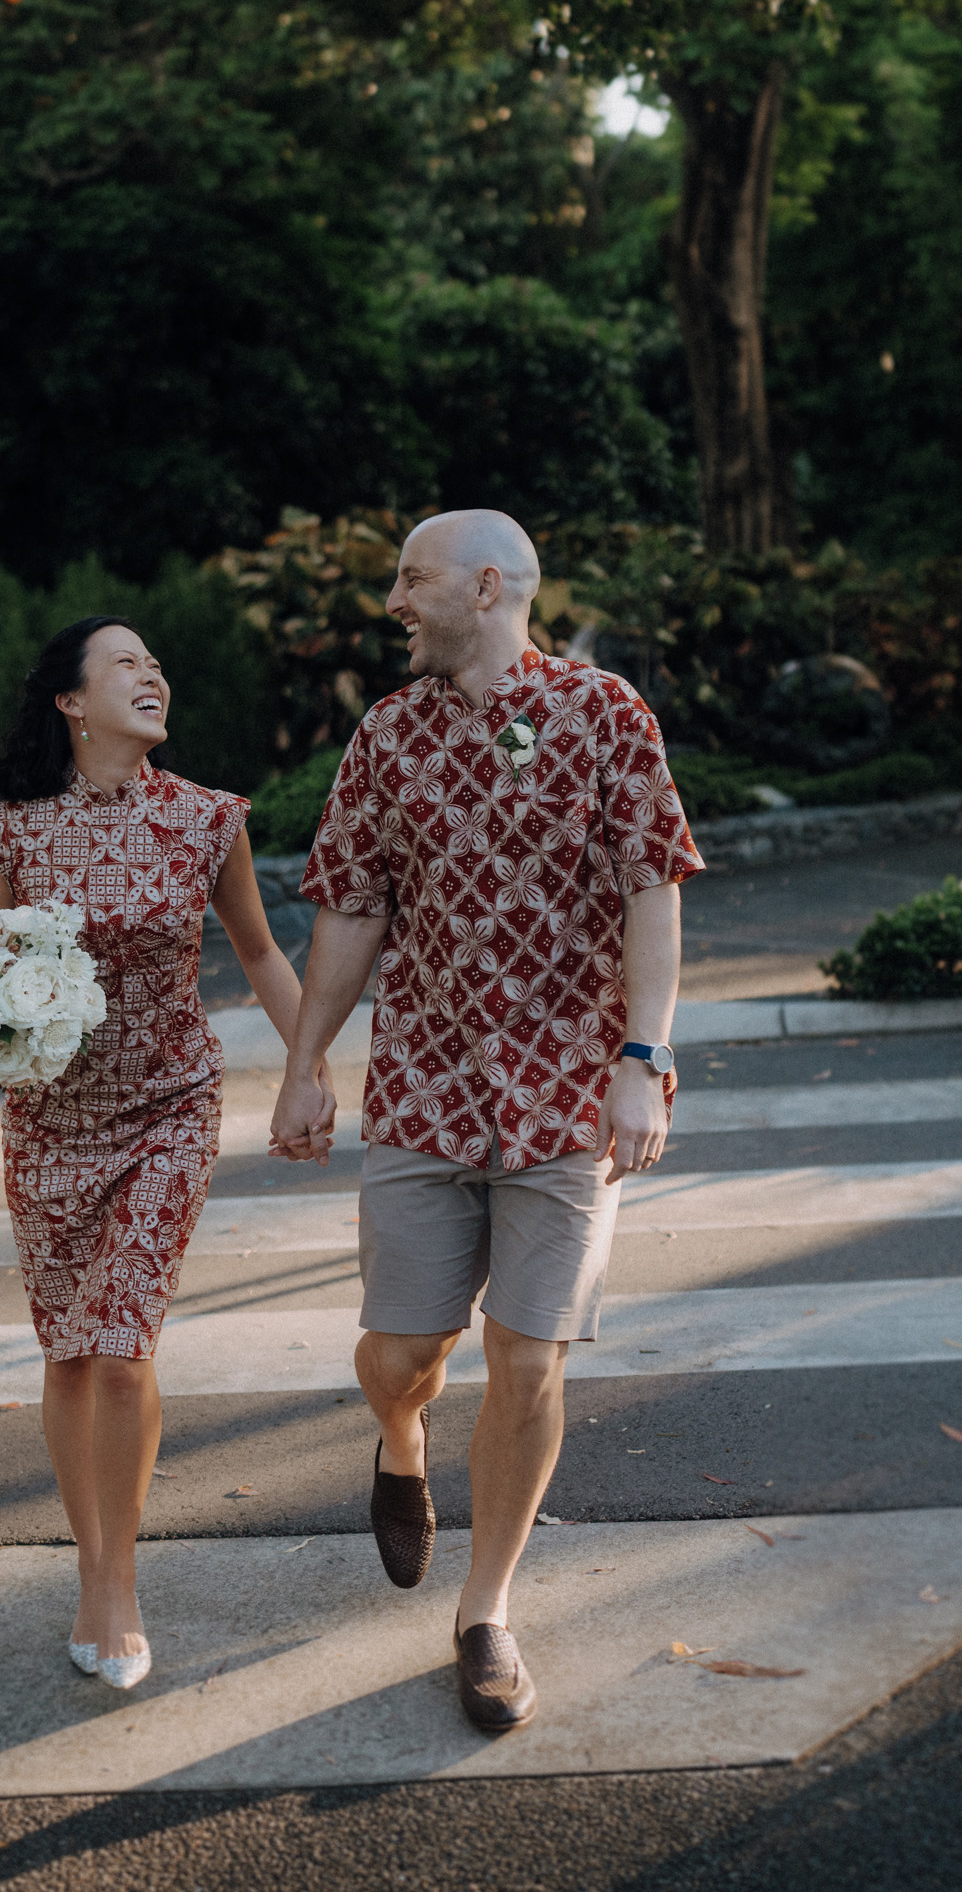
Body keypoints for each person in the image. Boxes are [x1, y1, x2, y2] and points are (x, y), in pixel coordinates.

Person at [268, 510, 702, 1732]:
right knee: (402, 1355)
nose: (395, 602)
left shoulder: (605, 711)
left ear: (488, 585)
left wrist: (642, 1056)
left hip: (571, 1092)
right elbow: (349, 909)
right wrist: (306, 1064)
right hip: (423, 1086)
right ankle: (401, 1439)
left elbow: (648, 889)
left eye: (413, 580)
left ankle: (485, 1611)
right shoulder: (387, 733)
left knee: (528, 1359)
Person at [0, 614, 326, 1691]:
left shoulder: (210, 820)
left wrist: (307, 1068)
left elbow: (261, 951)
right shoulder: (8, 832)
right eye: (126, 663)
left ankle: (113, 1588)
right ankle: (92, 1558)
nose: (152, 674)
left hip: (170, 1106)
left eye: (157, 663)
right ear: (71, 704)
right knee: (68, 1351)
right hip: (49, 1121)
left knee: (123, 1342)